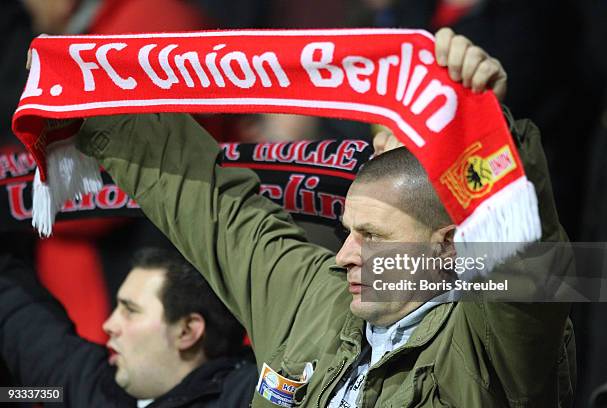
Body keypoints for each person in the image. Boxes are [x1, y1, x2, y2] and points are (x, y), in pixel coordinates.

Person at [70, 28, 574, 406]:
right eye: (348, 230)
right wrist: (84, 91)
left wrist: (480, 124)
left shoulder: (489, 347)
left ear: (447, 248)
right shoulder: (313, 297)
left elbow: (527, 266)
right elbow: (208, 200)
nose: (344, 254)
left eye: (372, 236)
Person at [0, 248, 257, 407]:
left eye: (130, 311)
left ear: (187, 331)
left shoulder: (249, 397)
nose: (108, 325)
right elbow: (20, 314)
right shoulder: (94, 389)